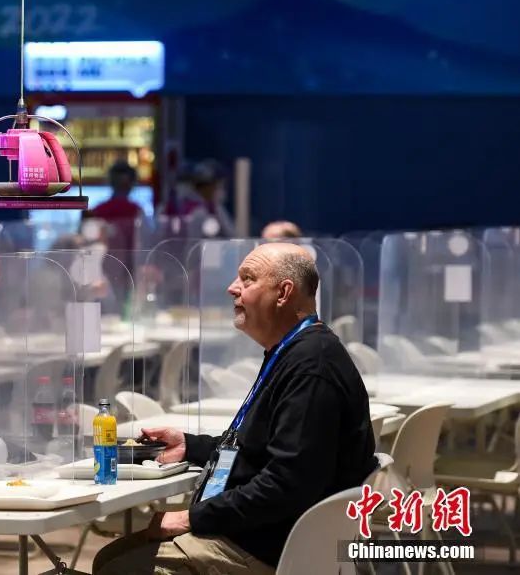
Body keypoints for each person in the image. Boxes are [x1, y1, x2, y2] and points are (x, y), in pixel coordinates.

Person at [93, 243, 376, 574]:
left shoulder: (311, 366)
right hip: (259, 535)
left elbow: (287, 483)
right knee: (108, 559)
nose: (232, 288)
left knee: (118, 567)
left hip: (266, 548)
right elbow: (261, 451)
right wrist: (190, 445)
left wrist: (191, 517)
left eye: (247, 278)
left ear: (284, 292)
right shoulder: (295, 352)